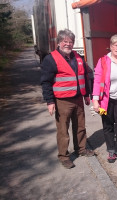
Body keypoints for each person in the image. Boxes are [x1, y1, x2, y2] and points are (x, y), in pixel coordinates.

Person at [40, 29, 94, 169]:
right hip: (62, 101)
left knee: (80, 126)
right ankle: (64, 156)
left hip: (78, 98)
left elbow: (85, 76)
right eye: (65, 41)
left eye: (71, 42)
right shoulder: (51, 59)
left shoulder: (78, 57)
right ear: (59, 42)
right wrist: (50, 101)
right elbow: (46, 82)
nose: (68, 44)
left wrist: (87, 95)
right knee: (63, 130)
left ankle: (81, 149)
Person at [92, 34, 117, 163]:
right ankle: (111, 151)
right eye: (115, 45)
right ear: (110, 46)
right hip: (106, 101)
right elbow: (97, 80)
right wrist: (95, 99)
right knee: (108, 125)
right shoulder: (103, 61)